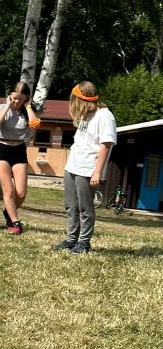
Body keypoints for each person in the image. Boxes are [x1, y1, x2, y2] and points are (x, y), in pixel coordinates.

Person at [52, 81, 117, 255]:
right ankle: (71, 239)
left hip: (88, 168)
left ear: (81, 99)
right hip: (73, 165)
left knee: (85, 208)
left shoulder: (104, 116)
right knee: (70, 205)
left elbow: (106, 145)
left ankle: (84, 242)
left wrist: (97, 172)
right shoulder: (85, 115)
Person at [0, 82, 40, 235]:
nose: (17, 101)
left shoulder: (28, 110)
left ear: (26, 98)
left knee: (21, 193)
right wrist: (7, 105)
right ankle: (16, 223)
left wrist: (28, 106)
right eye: (14, 98)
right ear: (10, 96)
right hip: (1, 150)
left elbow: (34, 125)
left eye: (21, 99)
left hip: (19, 150)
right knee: (8, 190)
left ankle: (8, 212)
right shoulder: (3, 107)